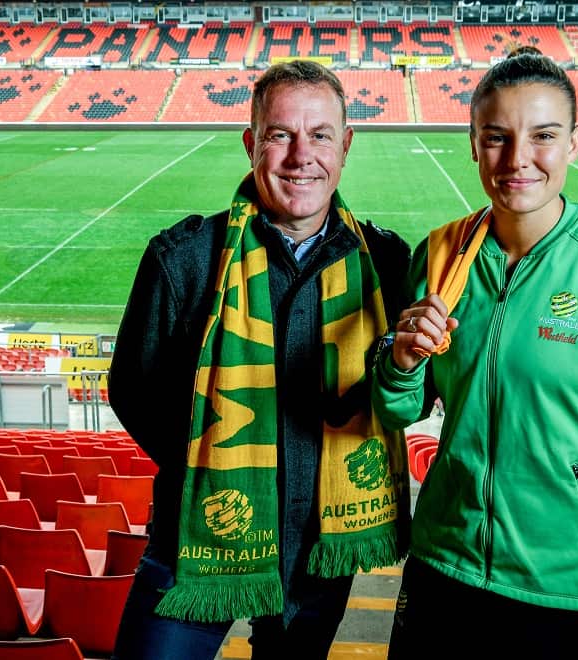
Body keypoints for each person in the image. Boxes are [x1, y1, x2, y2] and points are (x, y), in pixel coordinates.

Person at [373, 47, 578, 659]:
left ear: (575, 142)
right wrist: (400, 366)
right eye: (497, 137)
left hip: (562, 593)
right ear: (474, 144)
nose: (517, 159)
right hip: (441, 569)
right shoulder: (440, 255)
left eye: (543, 136)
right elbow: (400, 411)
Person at [107, 59, 412, 660]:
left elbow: (408, 396)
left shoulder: (385, 262)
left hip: (322, 545)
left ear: (346, 145)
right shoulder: (184, 259)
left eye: (320, 135)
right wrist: (208, 467)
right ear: (251, 145)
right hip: (199, 535)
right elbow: (132, 391)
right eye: (280, 135)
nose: (302, 156)